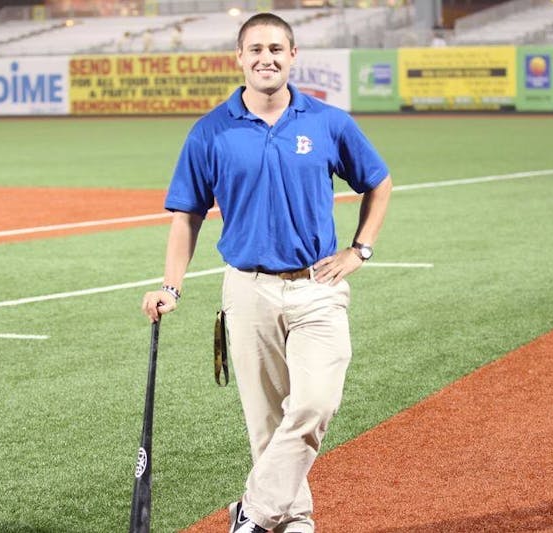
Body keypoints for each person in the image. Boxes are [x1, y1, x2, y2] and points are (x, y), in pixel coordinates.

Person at [141, 11, 392, 533]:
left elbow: (378, 181)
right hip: (247, 289)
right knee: (267, 419)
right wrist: (171, 285)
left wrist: (359, 251)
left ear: (293, 56)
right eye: (255, 49)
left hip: (318, 287)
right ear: (239, 58)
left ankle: (252, 512)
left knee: (315, 403)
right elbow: (186, 214)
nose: (266, 58)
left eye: (276, 49)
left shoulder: (328, 121)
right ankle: (293, 518)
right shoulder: (211, 130)